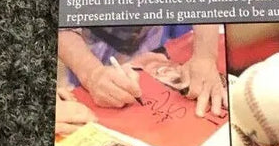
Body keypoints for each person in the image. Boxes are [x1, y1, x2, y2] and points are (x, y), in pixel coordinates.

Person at [58, 24, 228, 118]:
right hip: (88, 44)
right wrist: (92, 73)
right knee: (102, 97)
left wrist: (205, 56)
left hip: (148, 32)